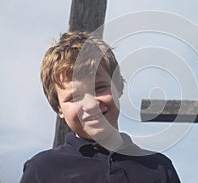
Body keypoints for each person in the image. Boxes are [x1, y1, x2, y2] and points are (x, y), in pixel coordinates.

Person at [20, 31, 181, 183]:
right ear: (58, 108)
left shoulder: (159, 168)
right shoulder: (42, 170)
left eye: (99, 88)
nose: (90, 105)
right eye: (74, 97)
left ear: (118, 87)